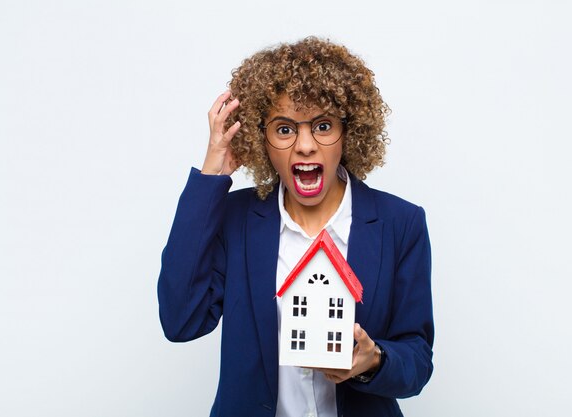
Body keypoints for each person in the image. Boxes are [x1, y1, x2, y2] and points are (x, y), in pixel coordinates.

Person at [157, 37, 434, 417]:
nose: (305, 145)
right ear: (261, 140)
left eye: (322, 125)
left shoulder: (401, 223)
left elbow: (417, 361)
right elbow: (180, 320)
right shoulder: (234, 217)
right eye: (284, 129)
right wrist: (211, 175)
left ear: (347, 132)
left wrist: (374, 360)